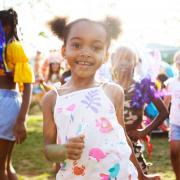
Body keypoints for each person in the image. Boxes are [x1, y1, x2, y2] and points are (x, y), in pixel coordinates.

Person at [42, 16, 161, 180]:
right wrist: (62, 150)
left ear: (105, 55)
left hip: (119, 175)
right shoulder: (52, 99)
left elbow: (123, 138)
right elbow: (48, 150)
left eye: (96, 47)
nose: (85, 53)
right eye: (76, 45)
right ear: (64, 50)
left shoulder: (113, 92)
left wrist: (141, 175)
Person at [111, 46, 168, 174]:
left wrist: (144, 131)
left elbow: (163, 112)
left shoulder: (143, 86)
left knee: (138, 174)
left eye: (128, 59)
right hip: (111, 144)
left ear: (135, 62)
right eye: (120, 59)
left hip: (132, 144)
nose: (124, 63)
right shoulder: (108, 87)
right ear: (114, 62)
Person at [0, 8, 34, 180]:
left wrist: (21, 120)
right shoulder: (4, 47)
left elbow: (28, 83)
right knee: (5, 165)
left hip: (5, 103)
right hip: (6, 102)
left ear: (8, 27)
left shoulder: (14, 47)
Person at [164, 50, 180, 180]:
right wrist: (162, 122)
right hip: (175, 123)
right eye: (179, 63)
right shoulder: (171, 83)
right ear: (176, 65)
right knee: (174, 151)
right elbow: (165, 103)